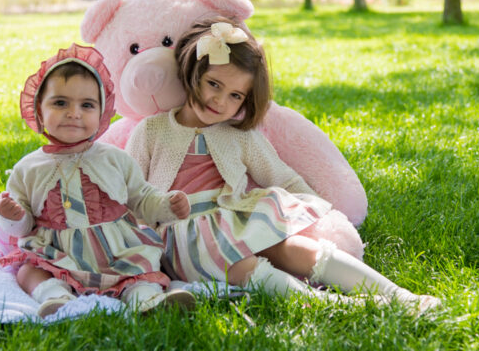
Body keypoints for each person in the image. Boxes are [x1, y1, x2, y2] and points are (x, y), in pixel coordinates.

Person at [126, 18, 440, 313]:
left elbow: (281, 177)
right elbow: (128, 193)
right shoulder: (151, 131)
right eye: (213, 84)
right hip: (185, 234)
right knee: (243, 266)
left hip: (236, 218)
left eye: (235, 95)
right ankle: (336, 307)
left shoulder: (238, 135)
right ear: (192, 71)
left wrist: (325, 213)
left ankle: (399, 296)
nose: (220, 101)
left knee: (292, 247)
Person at [0, 44, 194, 317]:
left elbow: (140, 196)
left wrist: (167, 205)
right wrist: (13, 216)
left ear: (101, 114)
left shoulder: (114, 158)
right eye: (60, 103)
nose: (74, 113)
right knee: (28, 271)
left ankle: (145, 301)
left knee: (142, 270)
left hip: (115, 250)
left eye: (86, 105)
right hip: (59, 253)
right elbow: (23, 225)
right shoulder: (28, 168)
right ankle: (57, 298)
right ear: (39, 112)